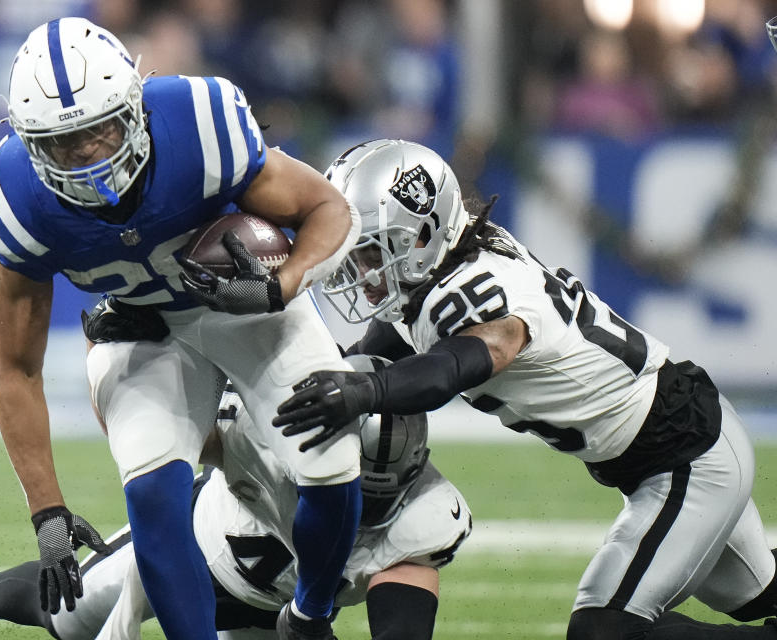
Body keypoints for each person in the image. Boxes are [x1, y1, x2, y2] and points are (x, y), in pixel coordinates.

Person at [274, 138, 777, 639]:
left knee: (603, 631)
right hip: (677, 436)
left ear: (420, 237)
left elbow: (449, 369)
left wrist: (364, 392)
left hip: (687, 457)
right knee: (758, 595)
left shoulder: (473, 292)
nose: (357, 272)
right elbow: (384, 349)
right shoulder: (445, 267)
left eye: (367, 251)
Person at [0, 17, 363, 640]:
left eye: (100, 129)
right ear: (30, 143)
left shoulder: (199, 123)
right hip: (139, 328)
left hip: (244, 305)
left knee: (332, 460)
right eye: (66, 143)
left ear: (135, 104)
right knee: (153, 499)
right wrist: (46, 508)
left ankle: (309, 619)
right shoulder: (14, 197)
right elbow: (16, 366)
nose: (90, 154)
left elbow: (328, 207)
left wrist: (279, 285)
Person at [0, 358, 471, 640]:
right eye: (345, 482)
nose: (356, 506)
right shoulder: (260, 435)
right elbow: (147, 433)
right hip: (197, 544)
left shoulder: (423, 520)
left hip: (273, 616)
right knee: (66, 619)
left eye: (374, 495)